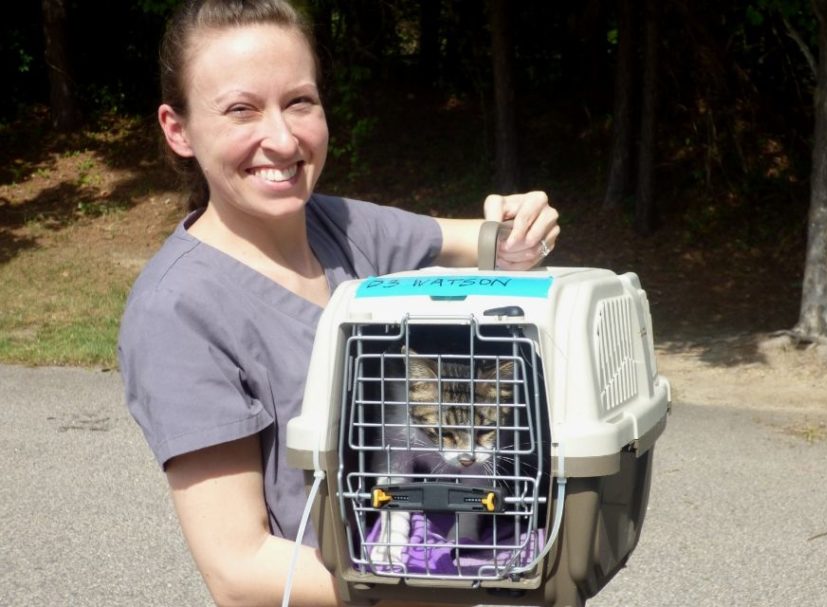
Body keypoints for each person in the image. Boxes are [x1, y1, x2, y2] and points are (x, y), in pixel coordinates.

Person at [116, 1, 559, 605]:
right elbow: (239, 570)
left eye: (299, 101)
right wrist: (455, 585)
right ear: (178, 130)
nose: (282, 137)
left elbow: (487, 242)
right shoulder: (178, 312)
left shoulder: (347, 225)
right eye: (242, 109)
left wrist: (520, 227)